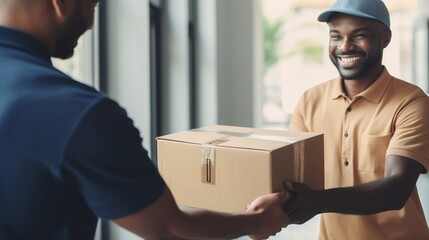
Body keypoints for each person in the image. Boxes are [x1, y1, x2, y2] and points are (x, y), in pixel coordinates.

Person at [0, 0, 290, 239]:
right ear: (60, 3)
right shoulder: (77, 112)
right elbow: (172, 230)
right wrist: (257, 220)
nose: (90, 22)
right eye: (93, 5)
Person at [284, 0, 429, 239]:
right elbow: (290, 176)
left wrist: (317, 202)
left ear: (385, 38)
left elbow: (397, 188)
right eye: (335, 36)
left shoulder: (412, 102)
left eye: (359, 35)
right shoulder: (309, 101)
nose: (345, 46)